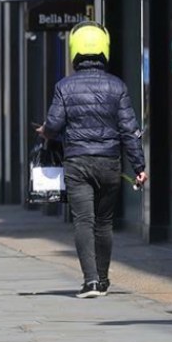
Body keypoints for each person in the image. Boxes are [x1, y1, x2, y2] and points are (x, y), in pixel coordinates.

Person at [37, 21, 147, 299]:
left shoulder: (64, 86)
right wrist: (139, 166)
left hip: (78, 162)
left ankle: (91, 282)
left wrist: (45, 131)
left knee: (84, 221)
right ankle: (104, 278)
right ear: (104, 49)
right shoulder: (117, 86)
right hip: (110, 162)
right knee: (104, 222)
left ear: (74, 50)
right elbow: (129, 129)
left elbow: (54, 124)